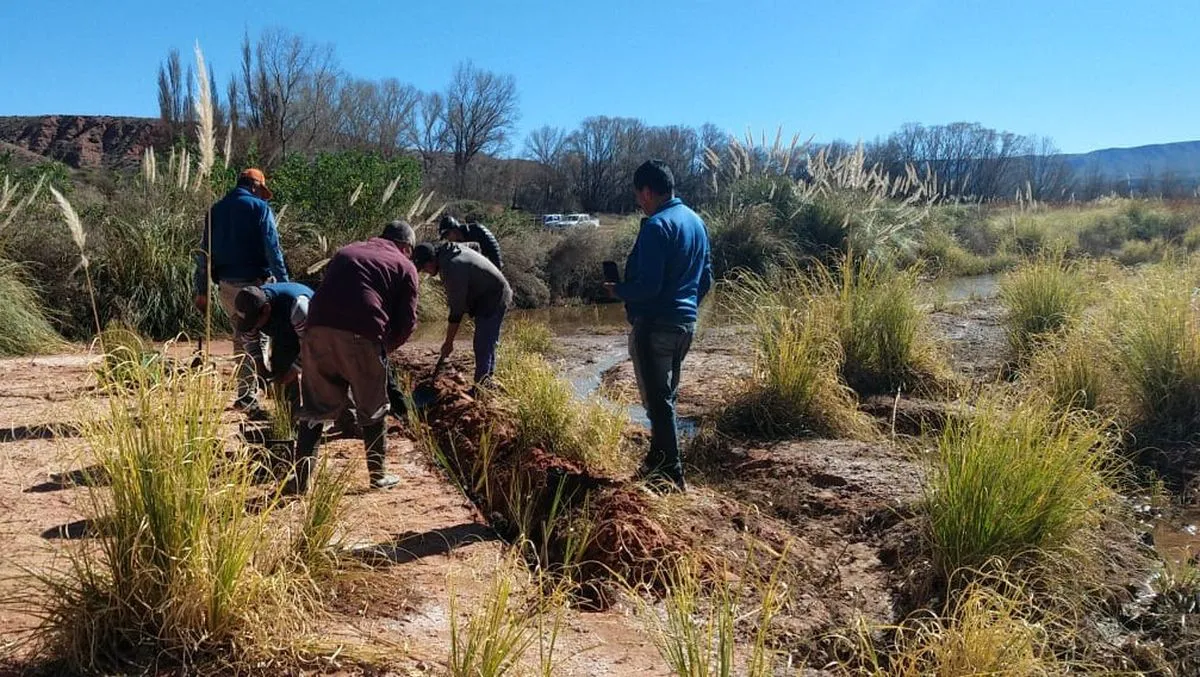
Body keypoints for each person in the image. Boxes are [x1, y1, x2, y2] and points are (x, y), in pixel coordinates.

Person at [288, 220, 420, 494]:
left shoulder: (346, 251)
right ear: (407, 247)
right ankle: (378, 476)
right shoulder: (405, 266)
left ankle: (300, 482)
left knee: (315, 408)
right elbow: (407, 323)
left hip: (316, 330)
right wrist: (383, 349)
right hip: (363, 332)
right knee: (373, 407)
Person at [605, 160, 712, 493]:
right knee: (666, 397)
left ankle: (672, 475)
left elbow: (648, 287)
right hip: (684, 325)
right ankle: (657, 459)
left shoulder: (656, 226)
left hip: (655, 325)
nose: (640, 202)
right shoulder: (696, 222)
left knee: (658, 401)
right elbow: (706, 279)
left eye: (639, 195)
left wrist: (618, 290)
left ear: (647, 191)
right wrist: (686, 307)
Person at [194, 168, 288, 413]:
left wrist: (201, 288)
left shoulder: (215, 210)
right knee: (260, 336)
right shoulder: (260, 208)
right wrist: (284, 283)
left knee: (241, 335)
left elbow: (203, 253)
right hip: (257, 284)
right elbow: (273, 249)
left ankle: (247, 393)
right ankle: (253, 395)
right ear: (255, 186)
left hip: (227, 285)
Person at [410, 241, 512, 384]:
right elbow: (475, 246)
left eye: (424, 267)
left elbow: (456, 311)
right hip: (485, 295)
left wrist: (449, 342)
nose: (424, 271)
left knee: (483, 343)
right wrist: (475, 275)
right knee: (486, 341)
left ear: (432, 260)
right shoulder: (448, 250)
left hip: (495, 296)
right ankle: (486, 379)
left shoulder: (452, 267)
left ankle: (482, 384)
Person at [231, 281, 313, 408]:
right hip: (284, 333)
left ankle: (323, 413)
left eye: (254, 322)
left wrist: (294, 371)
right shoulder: (251, 309)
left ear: (266, 309)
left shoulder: (297, 306)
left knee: (315, 373)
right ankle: (289, 414)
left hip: (316, 330)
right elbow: (250, 340)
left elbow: (311, 345)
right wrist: (260, 368)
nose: (252, 326)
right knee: (281, 367)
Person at [439, 215, 503, 270]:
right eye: (445, 237)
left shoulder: (475, 231)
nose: (447, 239)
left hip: (492, 264)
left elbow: (492, 251)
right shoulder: (461, 240)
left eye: (447, 235)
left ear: (454, 230)